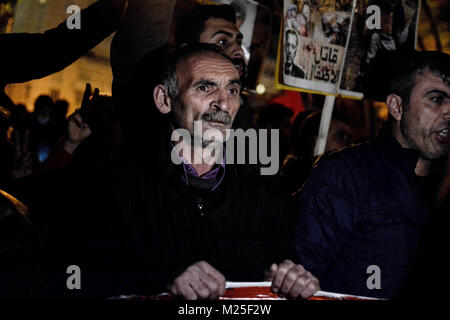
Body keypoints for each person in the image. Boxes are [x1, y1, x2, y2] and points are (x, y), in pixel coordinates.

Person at [86, 44, 320, 300]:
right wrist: (162, 278)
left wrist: (292, 278)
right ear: (164, 100)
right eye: (205, 87)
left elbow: (282, 264)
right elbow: (83, 275)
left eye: (232, 90)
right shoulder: (117, 187)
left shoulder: (262, 194)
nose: (223, 103)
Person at [292, 50, 450, 299]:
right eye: (436, 99)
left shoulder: (444, 184)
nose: (448, 113)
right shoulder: (346, 174)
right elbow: (303, 277)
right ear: (397, 106)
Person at [281, 110, 351, 195]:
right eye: (340, 136)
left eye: (348, 139)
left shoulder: (344, 179)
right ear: (316, 140)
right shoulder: (293, 183)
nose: (347, 145)